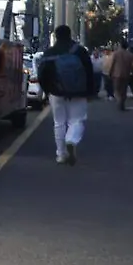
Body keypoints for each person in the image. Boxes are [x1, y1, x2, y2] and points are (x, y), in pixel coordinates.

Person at [37, 25, 96, 166]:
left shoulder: (49, 52)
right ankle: (72, 140)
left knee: (59, 123)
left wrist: (46, 91)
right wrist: (91, 91)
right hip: (78, 92)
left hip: (56, 92)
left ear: (56, 36)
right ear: (70, 34)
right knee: (77, 120)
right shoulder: (80, 51)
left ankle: (61, 154)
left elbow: (42, 74)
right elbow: (89, 72)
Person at [110, 40, 133, 111]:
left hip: (116, 75)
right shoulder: (130, 55)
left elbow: (112, 64)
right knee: (124, 91)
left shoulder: (116, 53)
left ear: (120, 45)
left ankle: (119, 100)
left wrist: (110, 72)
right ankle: (122, 104)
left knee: (116, 90)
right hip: (126, 74)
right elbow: (132, 66)